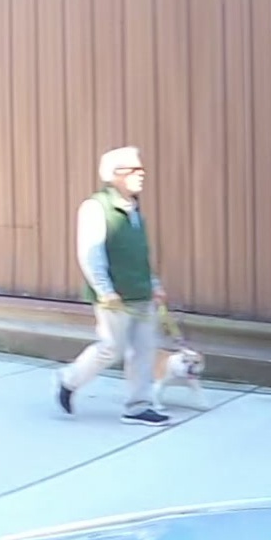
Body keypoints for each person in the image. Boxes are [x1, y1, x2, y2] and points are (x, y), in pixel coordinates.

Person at [59, 145, 173, 422]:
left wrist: (154, 284)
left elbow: (139, 254)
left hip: (141, 293)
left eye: (142, 169)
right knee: (111, 348)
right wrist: (105, 290)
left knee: (144, 351)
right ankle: (69, 379)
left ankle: (138, 407)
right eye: (135, 170)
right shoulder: (96, 207)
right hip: (115, 296)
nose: (142, 174)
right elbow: (91, 253)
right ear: (115, 174)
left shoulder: (134, 208)